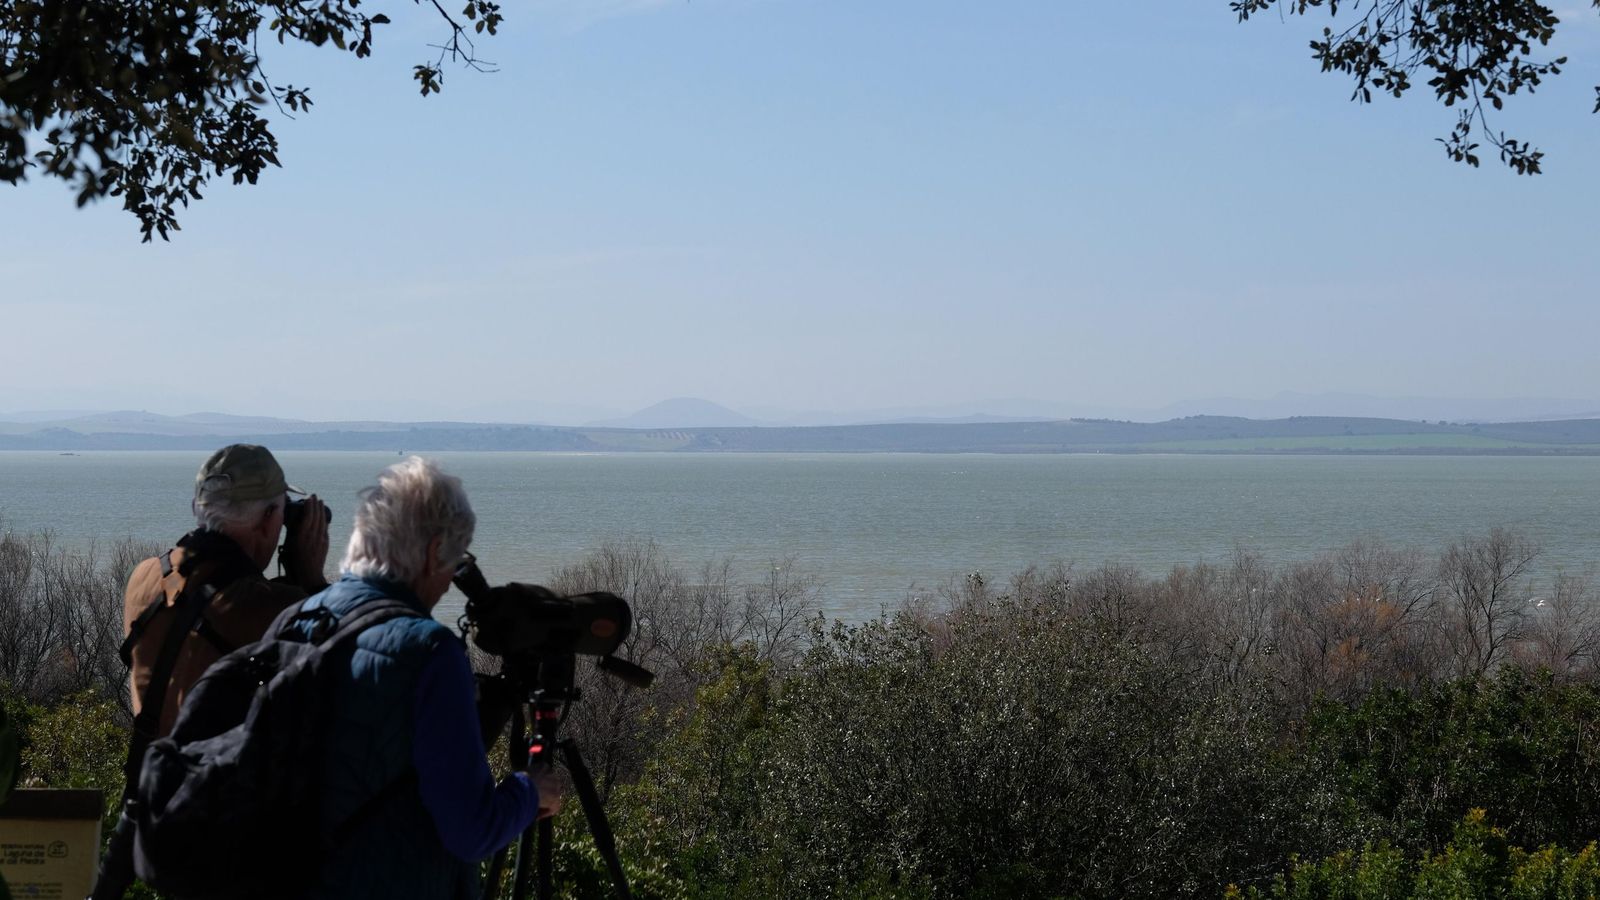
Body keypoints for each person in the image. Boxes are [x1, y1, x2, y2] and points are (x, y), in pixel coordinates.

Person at [287, 456, 559, 899]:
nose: (452, 580)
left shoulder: (295, 619)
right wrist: (530, 791)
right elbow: (472, 830)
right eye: (456, 560)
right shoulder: (429, 652)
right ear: (434, 552)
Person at [122, 443, 330, 737]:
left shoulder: (144, 576)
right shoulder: (270, 605)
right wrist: (312, 579)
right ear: (270, 517)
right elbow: (340, 668)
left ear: (197, 507)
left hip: (149, 777)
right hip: (215, 780)